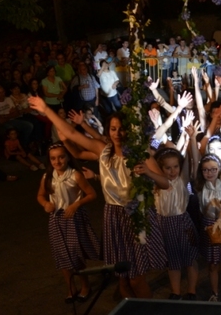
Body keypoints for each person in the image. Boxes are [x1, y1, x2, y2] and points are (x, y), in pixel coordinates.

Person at [29, 96, 167, 299]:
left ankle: (147, 309)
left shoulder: (141, 154)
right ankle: (128, 308)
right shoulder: (103, 150)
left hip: (137, 216)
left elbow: (165, 183)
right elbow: (70, 133)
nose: (117, 133)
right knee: (122, 274)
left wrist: (148, 172)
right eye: (113, 129)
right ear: (108, 131)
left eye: (121, 128)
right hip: (113, 215)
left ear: (129, 130)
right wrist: (45, 109)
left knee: (136, 277)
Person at [36, 142, 99, 303]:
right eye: (53, 158)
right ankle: (70, 287)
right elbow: (41, 195)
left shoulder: (75, 175)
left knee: (74, 253)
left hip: (73, 218)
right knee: (61, 254)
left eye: (61, 157)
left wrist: (77, 204)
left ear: (67, 158)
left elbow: (92, 194)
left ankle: (85, 285)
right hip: (56, 219)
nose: (57, 162)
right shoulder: (47, 177)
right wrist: (45, 204)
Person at [149, 147, 200, 300]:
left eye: (175, 166)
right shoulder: (157, 184)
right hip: (164, 224)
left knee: (190, 258)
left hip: (182, 223)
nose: (172, 171)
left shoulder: (182, 179)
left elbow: (192, 160)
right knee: (173, 260)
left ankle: (191, 291)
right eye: (168, 168)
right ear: (161, 168)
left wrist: (191, 140)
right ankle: (175, 291)